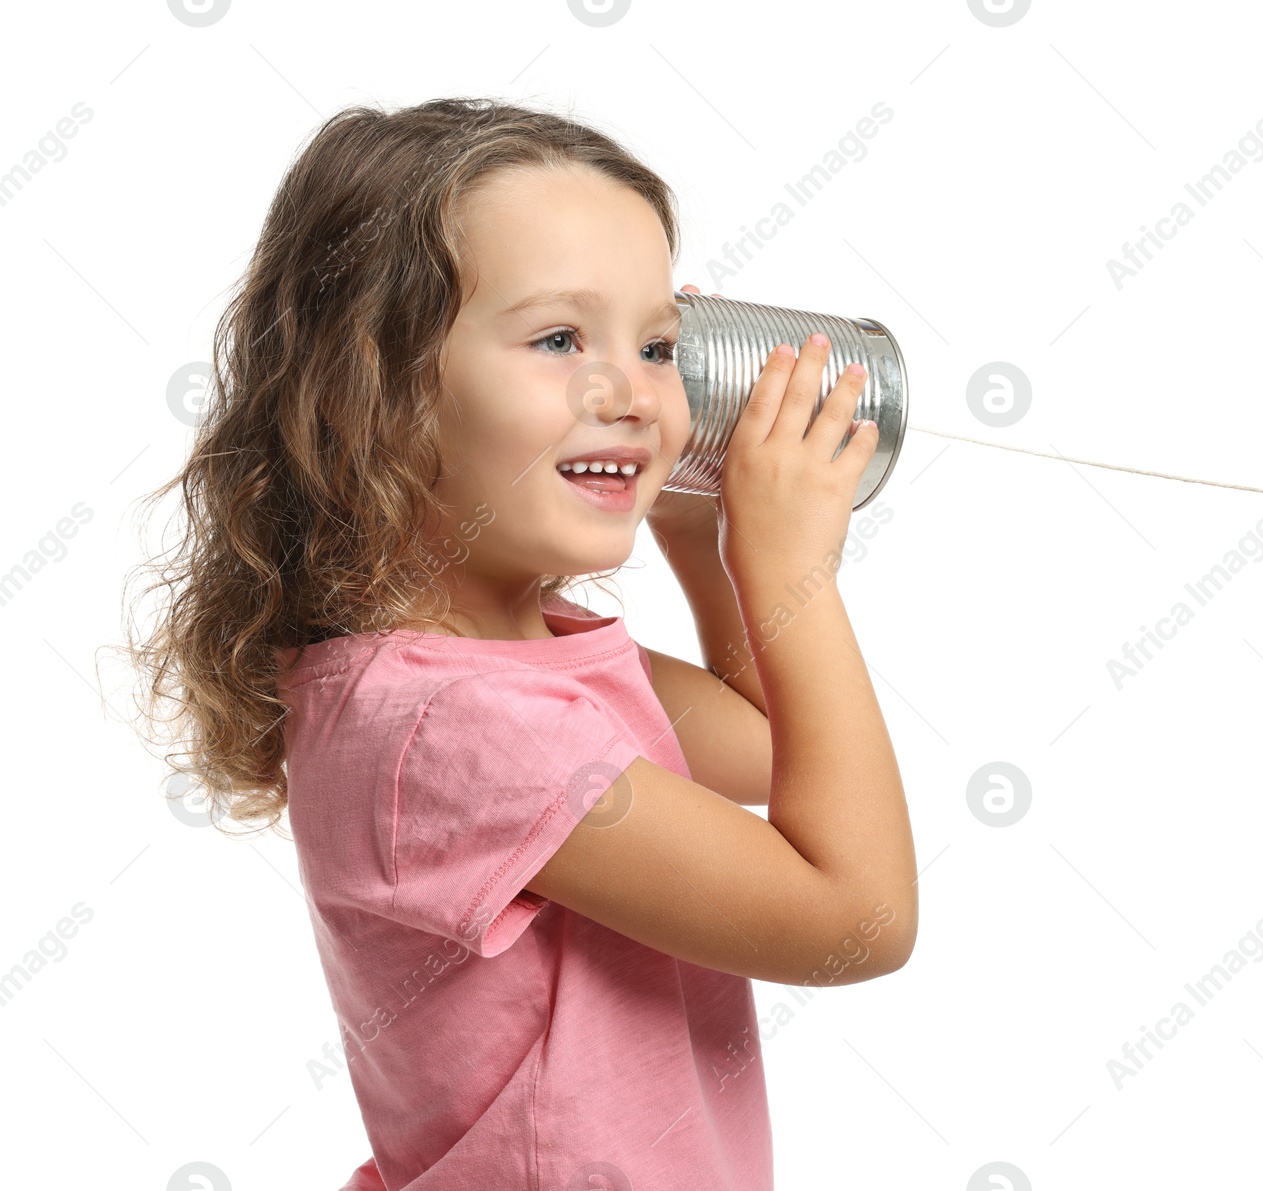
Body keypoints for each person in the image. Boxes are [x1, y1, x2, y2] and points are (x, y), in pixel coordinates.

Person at [117, 97, 917, 1189]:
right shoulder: (456, 729)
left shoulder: (520, 662)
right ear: (372, 392)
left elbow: (785, 751)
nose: (634, 394)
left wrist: (709, 537)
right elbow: (855, 918)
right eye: (557, 340)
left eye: (657, 347)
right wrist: (792, 574)